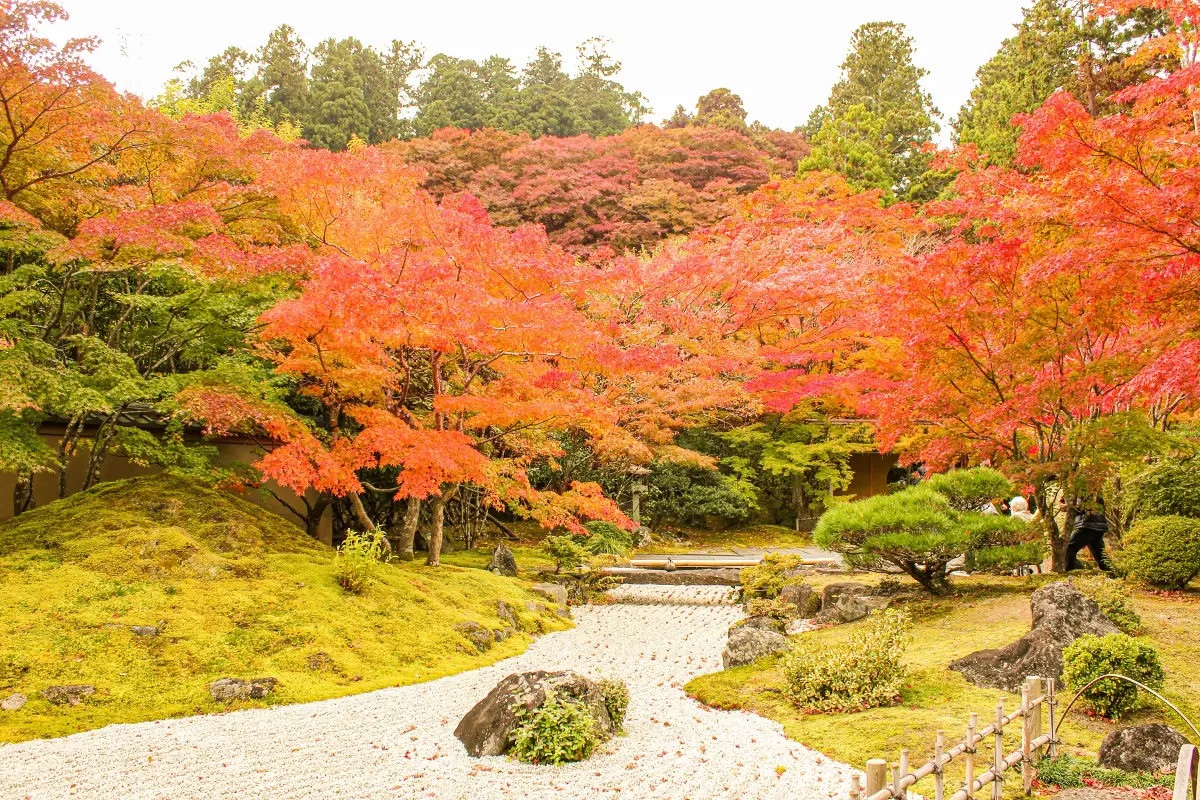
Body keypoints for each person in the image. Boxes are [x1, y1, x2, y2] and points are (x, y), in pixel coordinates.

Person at [1064, 498, 1112, 573]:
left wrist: (1067, 506)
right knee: (1099, 553)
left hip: (1087, 525)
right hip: (1098, 526)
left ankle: (1074, 571)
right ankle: (1114, 572)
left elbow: (1080, 507)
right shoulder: (1096, 490)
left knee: (1068, 548)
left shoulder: (1084, 491)